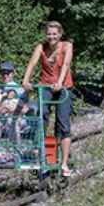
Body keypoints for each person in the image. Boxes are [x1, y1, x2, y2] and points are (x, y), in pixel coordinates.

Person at [22, 20, 74, 176]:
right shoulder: (41, 47)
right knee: (42, 114)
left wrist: (59, 82)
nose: (51, 37)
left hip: (63, 87)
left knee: (63, 123)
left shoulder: (67, 46)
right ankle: (42, 152)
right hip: (45, 85)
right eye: (48, 34)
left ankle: (64, 164)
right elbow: (32, 63)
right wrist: (25, 80)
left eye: (54, 34)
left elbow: (65, 64)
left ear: (59, 34)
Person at [0, 62, 29, 146]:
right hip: (0, 118)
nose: (5, 75)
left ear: (13, 74)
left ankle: (16, 149)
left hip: (15, 117)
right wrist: (0, 109)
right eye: (3, 73)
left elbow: (25, 108)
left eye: (8, 73)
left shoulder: (22, 90)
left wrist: (11, 111)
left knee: (12, 121)